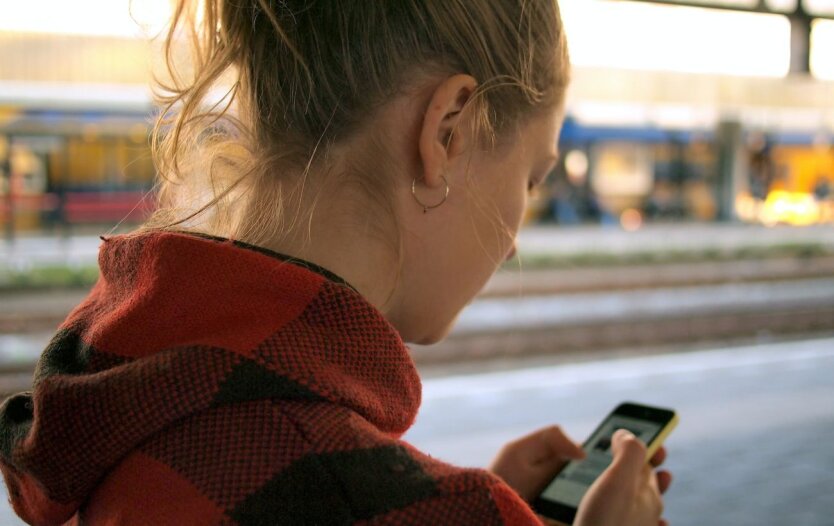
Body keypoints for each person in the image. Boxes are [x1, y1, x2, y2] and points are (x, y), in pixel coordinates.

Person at [0, 1, 671, 524]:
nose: (515, 237)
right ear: (449, 130)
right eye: (530, 178)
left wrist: (433, 494)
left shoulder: (113, 405)